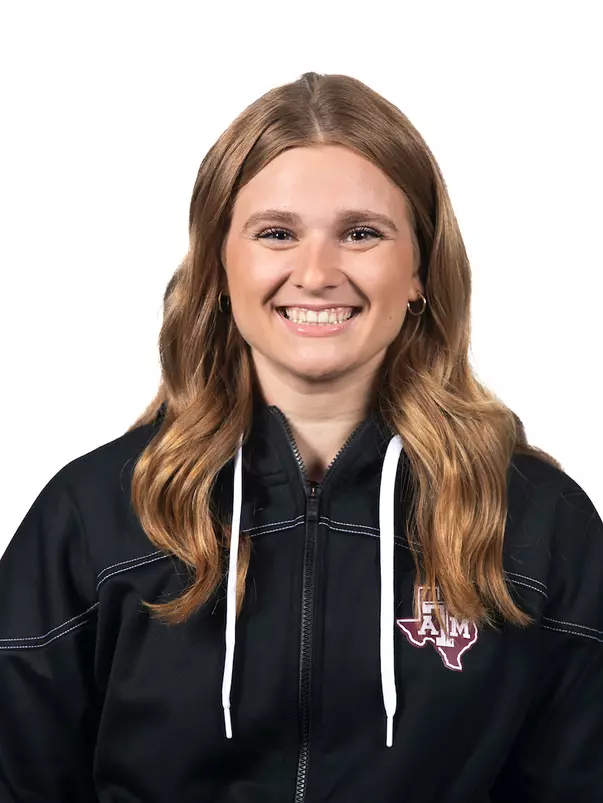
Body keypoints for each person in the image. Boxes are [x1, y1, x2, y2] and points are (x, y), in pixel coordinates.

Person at [1, 71, 601, 803]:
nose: (315, 274)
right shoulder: (94, 516)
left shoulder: (538, 523)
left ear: (419, 267)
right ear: (220, 263)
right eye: (277, 233)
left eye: (361, 233)